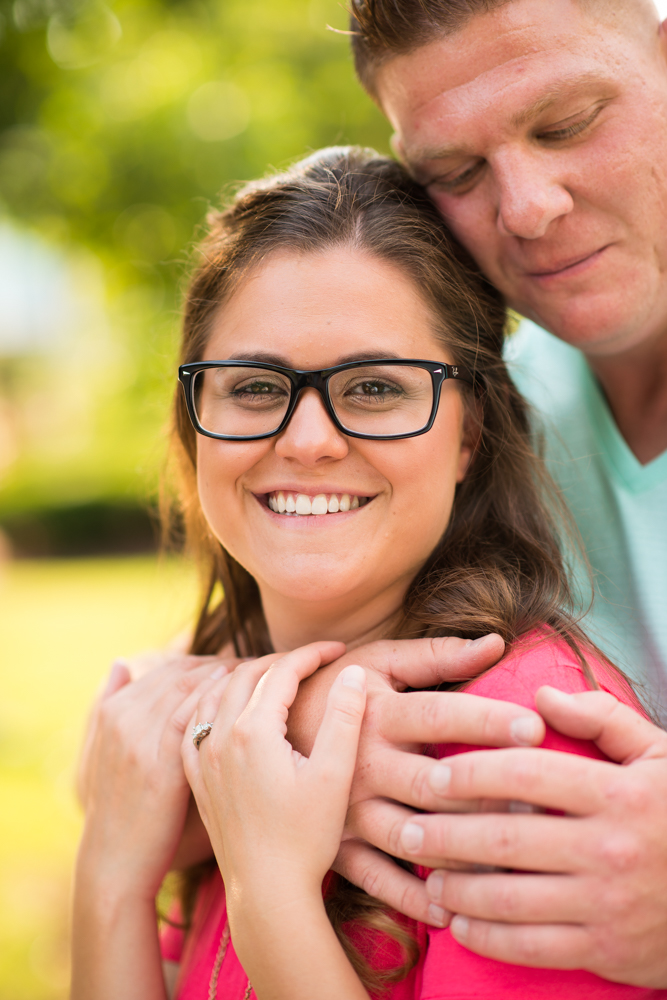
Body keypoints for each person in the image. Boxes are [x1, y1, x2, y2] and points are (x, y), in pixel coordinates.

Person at [71, 147, 667, 1000]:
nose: (307, 440)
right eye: (251, 386)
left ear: (468, 435)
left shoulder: (519, 753)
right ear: (193, 422)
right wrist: (112, 876)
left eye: (376, 389)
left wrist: (268, 889)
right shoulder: (210, 727)